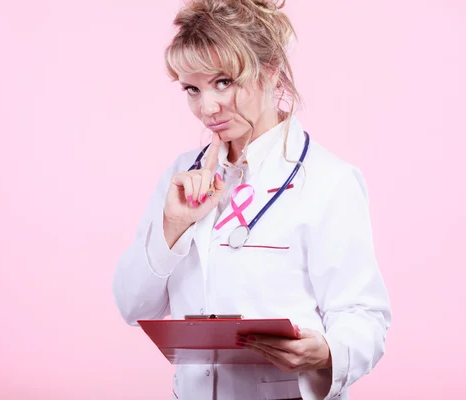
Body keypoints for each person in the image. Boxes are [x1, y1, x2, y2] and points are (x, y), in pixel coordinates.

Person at [112, 0, 392, 399]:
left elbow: (364, 317)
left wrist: (327, 352)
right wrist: (173, 226)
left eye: (223, 82)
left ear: (271, 70)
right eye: (193, 89)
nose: (207, 108)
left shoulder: (330, 181)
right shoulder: (180, 177)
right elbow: (131, 306)